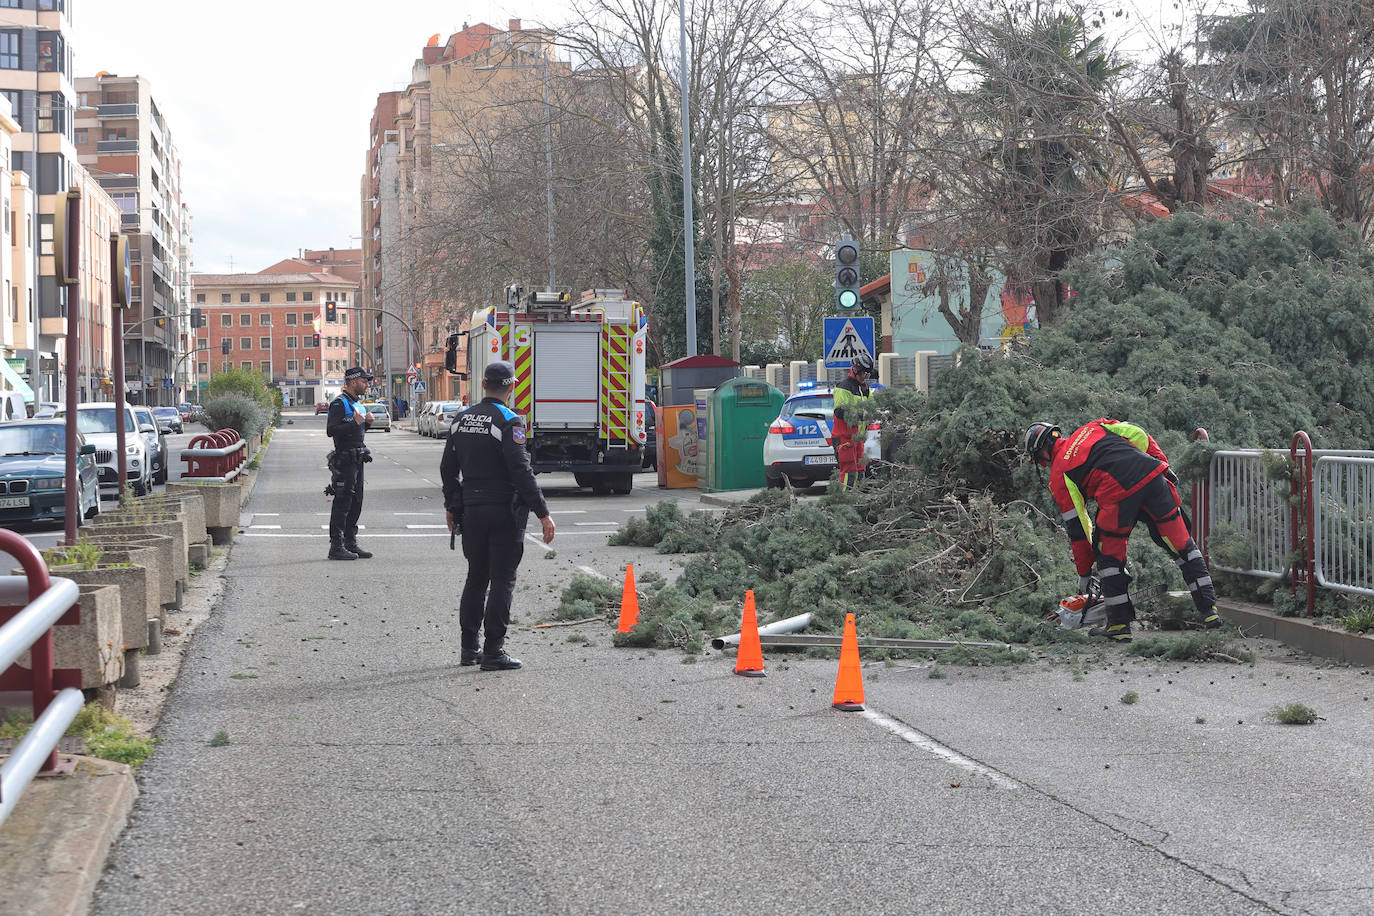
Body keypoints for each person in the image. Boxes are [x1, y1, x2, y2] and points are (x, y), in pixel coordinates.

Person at [1025, 419, 1221, 643]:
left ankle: (1119, 624)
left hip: (1117, 494)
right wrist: (1162, 464)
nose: (1043, 466)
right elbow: (1138, 434)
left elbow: (1079, 528)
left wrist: (1085, 572)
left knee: (1109, 557)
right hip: (1152, 477)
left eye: (1040, 462)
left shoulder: (1060, 474)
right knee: (1182, 544)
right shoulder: (1092, 427)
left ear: (1043, 452)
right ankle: (1209, 611)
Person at [440, 361, 556, 671]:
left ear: (483, 384)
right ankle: (493, 652)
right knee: (503, 580)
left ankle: (468, 650)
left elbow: (448, 469)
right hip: (504, 511)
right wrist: (543, 512)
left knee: (476, 578)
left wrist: (452, 505)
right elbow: (520, 469)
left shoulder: (460, 420)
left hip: (471, 510)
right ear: (511, 386)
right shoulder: (509, 420)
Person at [325, 367, 375, 560]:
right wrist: (355, 423)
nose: (367, 384)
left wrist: (366, 424)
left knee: (356, 501)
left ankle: (350, 542)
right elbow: (332, 430)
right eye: (364, 381)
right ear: (353, 382)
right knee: (343, 502)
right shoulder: (339, 403)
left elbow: (357, 433)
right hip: (344, 460)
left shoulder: (358, 404)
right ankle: (336, 546)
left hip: (358, 459)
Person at [832, 353, 876, 489]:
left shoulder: (865, 389)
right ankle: (846, 502)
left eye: (867, 374)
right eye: (863, 373)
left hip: (858, 438)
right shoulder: (844, 387)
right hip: (845, 437)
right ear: (855, 370)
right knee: (849, 472)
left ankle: (859, 501)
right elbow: (840, 412)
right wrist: (861, 415)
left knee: (860, 470)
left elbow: (871, 407)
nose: (865, 377)